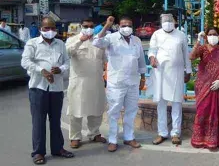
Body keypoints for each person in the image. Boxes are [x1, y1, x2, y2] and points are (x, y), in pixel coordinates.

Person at [21, 17, 74, 165]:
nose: (49, 31)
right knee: (38, 121)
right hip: (38, 88)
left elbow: (67, 62)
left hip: (56, 88)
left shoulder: (61, 44)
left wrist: (60, 69)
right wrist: (41, 71)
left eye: (52, 28)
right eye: (46, 28)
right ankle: (38, 152)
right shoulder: (32, 43)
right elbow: (25, 61)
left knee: (55, 120)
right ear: (40, 29)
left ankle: (58, 148)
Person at [93, 16, 146, 152]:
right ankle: (113, 140)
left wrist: (143, 77)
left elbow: (141, 61)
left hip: (133, 81)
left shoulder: (136, 40)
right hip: (116, 82)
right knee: (114, 112)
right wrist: (107, 26)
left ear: (132, 26)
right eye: (123, 25)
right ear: (118, 26)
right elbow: (96, 42)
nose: (126, 27)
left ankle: (129, 137)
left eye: (128, 25)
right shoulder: (111, 38)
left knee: (131, 111)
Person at [148, 14, 192, 146]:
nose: (167, 22)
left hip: (177, 73)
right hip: (160, 73)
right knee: (161, 104)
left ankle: (175, 133)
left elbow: (186, 54)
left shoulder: (181, 35)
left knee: (176, 103)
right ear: (161, 22)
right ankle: (162, 133)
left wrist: (188, 71)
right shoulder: (156, 34)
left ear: (174, 21)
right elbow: (152, 50)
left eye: (170, 20)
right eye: (165, 20)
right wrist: (151, 58)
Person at [66, 18, 107, 149]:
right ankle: (75, 137)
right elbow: (68, 52)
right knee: (76, 110)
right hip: (79, 81)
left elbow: (105, 59)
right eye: (86, 26)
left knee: (96, 108)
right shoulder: (72, 39)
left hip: (96, 81)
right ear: (81, 26)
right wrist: (80, 41)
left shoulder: (99, 41)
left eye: (91, 26)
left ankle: (94, 133)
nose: (88, 28)